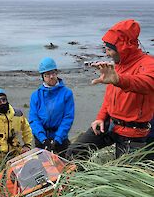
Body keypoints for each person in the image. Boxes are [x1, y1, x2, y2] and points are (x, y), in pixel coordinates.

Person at [66, 19, 154, 160]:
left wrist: (119, 80)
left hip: (133, 132)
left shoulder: (148, 63)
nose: (106, 53)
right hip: (111, 124)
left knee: (125, 177)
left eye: (109, 49)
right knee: (75, 151)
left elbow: (147, 83)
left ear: (123, 48)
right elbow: (109, 99)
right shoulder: (117, 65)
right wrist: (100, 118)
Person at [29, 57, 75, 157]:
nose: (51, 77)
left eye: (53, 73)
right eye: (47, 75)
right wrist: (43, 139)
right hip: (41, 139)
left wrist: (58, 139)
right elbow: (33, 119)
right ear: (43, 77)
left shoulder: (66, 93)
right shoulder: (36, 95)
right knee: (42, 168)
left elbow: (68, 118)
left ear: (56, 73)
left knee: (62, 167)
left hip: (60, 138)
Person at [0, 88, 33, 166]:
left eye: (4, 100)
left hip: (16, 154)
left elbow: (27, 129)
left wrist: (27, 145)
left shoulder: (17, 114)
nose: (2, 103)